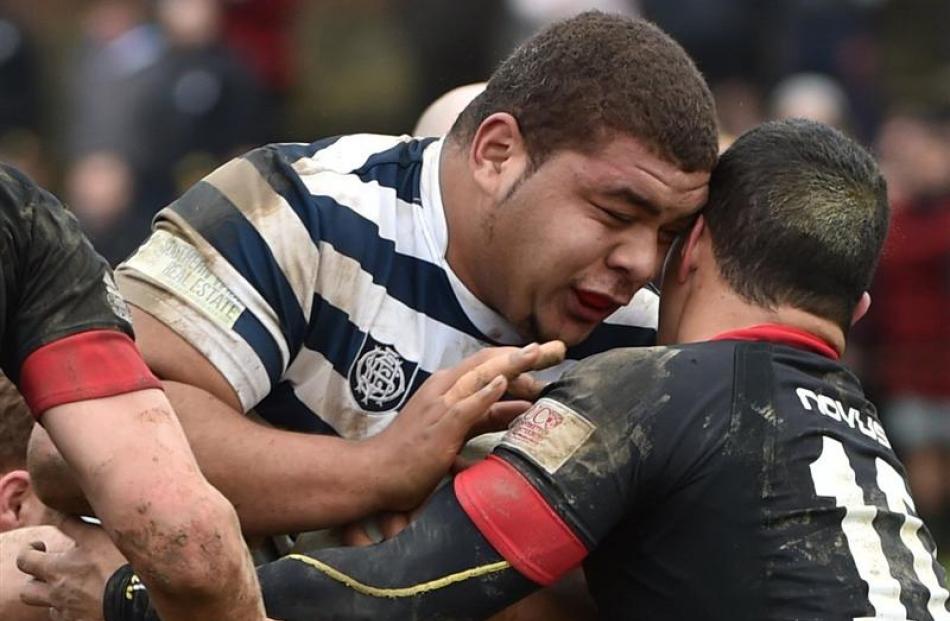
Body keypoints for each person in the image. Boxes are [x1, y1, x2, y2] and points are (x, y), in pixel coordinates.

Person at [99, 119, 950, 620]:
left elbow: (413, 585)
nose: (632, 272)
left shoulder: (645, 386)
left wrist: (126, 595)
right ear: (856, 313)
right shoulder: (866, 441)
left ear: (692, 250)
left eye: (656, 236)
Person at [29, 11, 718, 540]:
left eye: (665, 233)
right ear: (497, 152)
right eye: (614, 211)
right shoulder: (295, 209)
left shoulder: (646, 344)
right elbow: (72, 443)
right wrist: (381, 470)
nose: (638, 260)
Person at [0, 163, 268, 620]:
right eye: (83, 519)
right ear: (15, 502)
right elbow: (188, 549)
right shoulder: (25, 219)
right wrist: (130, 592)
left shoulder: (26, 230)